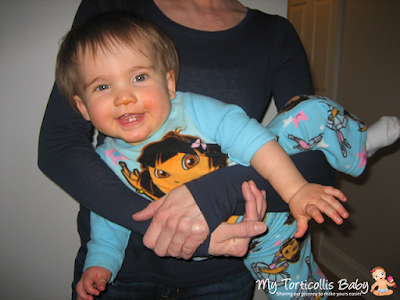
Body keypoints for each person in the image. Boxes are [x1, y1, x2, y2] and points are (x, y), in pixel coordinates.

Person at [55, 12, 399, 300]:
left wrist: (295, 191)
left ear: (169, 83)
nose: (124, 98)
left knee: (307, 111)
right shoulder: (104, 162)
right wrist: (100, 265)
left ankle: (355, 145)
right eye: (103, 87)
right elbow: (108, 222)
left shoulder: (193, 109)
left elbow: (255, 142)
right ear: (83, 108)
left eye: (140, 77)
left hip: (266, 204)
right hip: (250, 242)